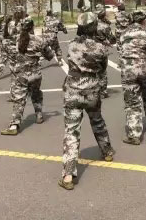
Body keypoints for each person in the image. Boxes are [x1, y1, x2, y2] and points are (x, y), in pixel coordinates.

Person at [59, 12, 115, 190]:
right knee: (97, 121)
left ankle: (68, 175)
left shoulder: (71, 44)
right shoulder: (100, 48)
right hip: (92, 90)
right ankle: (107, 151)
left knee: (71, 131)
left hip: (73, 91)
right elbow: (103, 69)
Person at [1, 17, 54, 136]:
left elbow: (5, 44)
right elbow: (50, 56)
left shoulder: (14, 40)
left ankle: (14, 125)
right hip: (35, 74)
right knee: (36, 93)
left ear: (21, 27)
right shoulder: (39, 40)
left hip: (21, 75)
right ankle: (39, 115)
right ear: (32, 27)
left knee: (19, 100)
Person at [118, 10, 146, 145]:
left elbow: (120, 50)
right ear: (144, 20)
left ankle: (134, 134)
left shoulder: (124, 33)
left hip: (128, 69)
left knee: (132, 103)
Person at [95, 5, 116, 98]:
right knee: (102, 71)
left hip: (89, 49)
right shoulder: (105, 26)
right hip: (101, 50)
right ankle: (103, 92)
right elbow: (112, 40)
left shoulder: (90, 25)